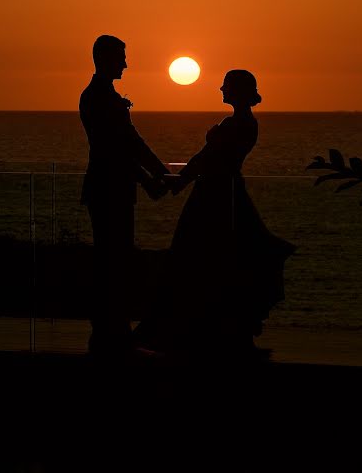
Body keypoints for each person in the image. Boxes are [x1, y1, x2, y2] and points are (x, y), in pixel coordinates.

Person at [134, 70, 296, 360]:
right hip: (222, 191)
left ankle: (190, 327)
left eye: (227, 86)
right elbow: (208, 156)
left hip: (216, 194)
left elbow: (208, 157)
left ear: (237, 91)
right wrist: (183, 179)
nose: (221, 89)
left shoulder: (238, 124)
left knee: (196, 256)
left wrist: (179, 181)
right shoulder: (245, 124)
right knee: (213, 256)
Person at [79, 34, 170, 358]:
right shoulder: (97, 97)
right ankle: (111, 332)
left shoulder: (101, 96)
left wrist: (158, 171)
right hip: (108, 188)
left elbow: (129, 142)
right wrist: (150, 177)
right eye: (121, 58)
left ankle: (113, 330)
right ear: (104, 59)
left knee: (116, 258)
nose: (126, 64)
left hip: (114, 188)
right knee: (111, 260)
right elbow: (115, 148)